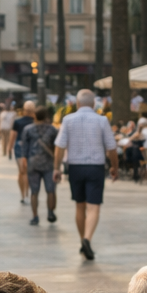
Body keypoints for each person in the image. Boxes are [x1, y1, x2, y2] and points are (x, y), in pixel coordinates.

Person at [52, 89, 118, 261]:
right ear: (94, 104)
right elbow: (111, 147)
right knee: (94, 206)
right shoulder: (102, 120)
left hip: (75, 167)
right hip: (95, 167)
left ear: (77, 103)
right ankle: (87, 239)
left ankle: (83, 240)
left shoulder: (68, 120)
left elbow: (59, 147)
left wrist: (56, 168)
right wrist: (114, 167)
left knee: (79, 206)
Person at [16, 108, 59, 227]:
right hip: (49, 163)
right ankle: (50, 212)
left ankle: (35, 216)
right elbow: (56, 147)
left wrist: (24, 161)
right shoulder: (52, 129)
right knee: (50, 190)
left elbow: (24, 147)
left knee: (34, 191)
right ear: (46, 116)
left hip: (33, 162)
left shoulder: (28, 129)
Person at [10, 102, 35, 194]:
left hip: (19, 146)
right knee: (28, 172)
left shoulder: (17, 121)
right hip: (32, 147)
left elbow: (13, 136)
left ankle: (23, 194)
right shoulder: (35, 121)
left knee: (21, 172)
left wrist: (9, 148)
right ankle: (27, 193)